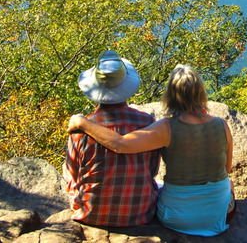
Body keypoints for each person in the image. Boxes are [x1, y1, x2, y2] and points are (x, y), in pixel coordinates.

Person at [68, 64, 235, 236]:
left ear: (170, 95)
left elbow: (120, 144)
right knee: (228, 183)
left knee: (160, 186)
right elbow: (227, 169)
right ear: (201, 92)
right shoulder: (222, 124)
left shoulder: (166, 128)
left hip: (175, 218)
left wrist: (83, 123)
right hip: (218, 217)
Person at [63, 50, 161, 227]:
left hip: (90, 214)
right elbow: (152, 169)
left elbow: (73, 174)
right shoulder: (147, 122)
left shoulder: (80, 129)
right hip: (139, 212)